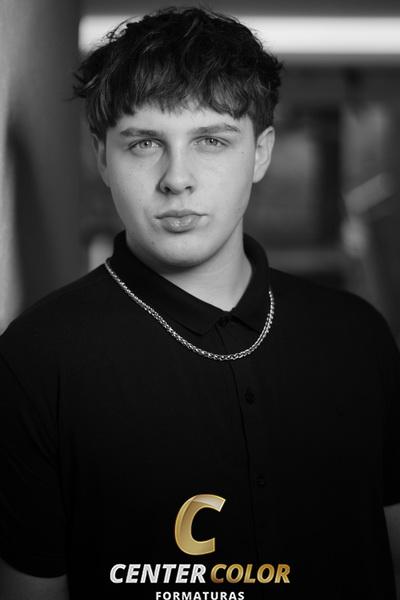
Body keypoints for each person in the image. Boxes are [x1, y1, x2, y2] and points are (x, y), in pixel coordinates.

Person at [0, 6, 399, 600]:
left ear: (260, 153)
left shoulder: (357, 337)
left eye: (211, 140)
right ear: (103, 157)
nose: (177, 179)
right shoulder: (37, 359)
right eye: (144, 143)